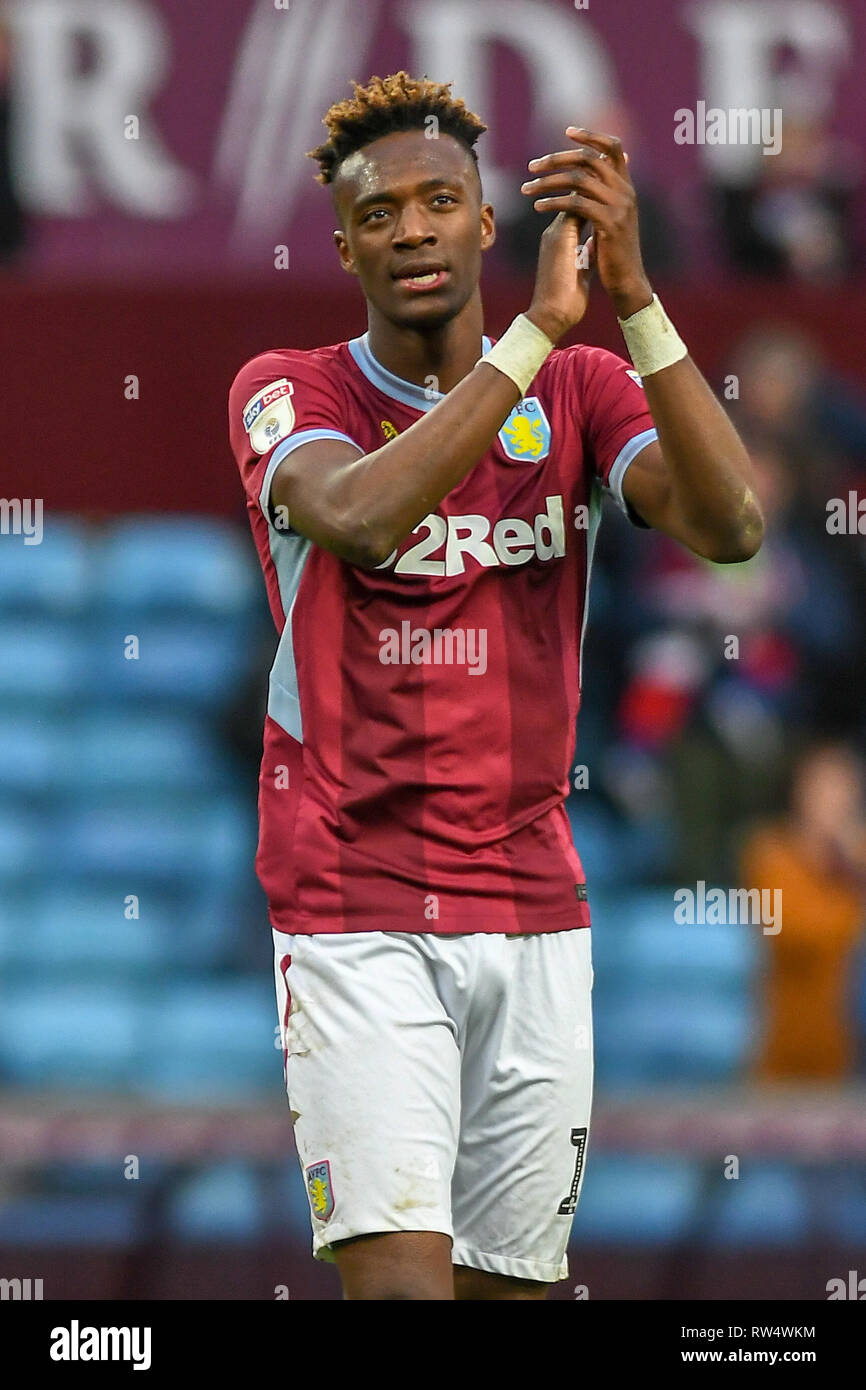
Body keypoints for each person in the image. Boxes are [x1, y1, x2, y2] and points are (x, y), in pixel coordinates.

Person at [227, 71, 763, 1301]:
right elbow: (359, 519)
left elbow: (730, 525)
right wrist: (531, 337)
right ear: (343, 244)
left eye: (437, 202)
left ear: (484, 224)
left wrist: (632, 303)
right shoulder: (290, 388)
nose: (410, 229)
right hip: (353, 904)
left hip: (532, 906)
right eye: (378, 214)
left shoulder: (579, 394)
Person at [741, 742, 866, 1081]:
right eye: (824, 787)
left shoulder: (858, 853)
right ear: (800, 791)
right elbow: (792, 934)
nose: (835, 801)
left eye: (844, 788)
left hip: (848, 1050)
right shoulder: (769, 852)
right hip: (782, 1048)